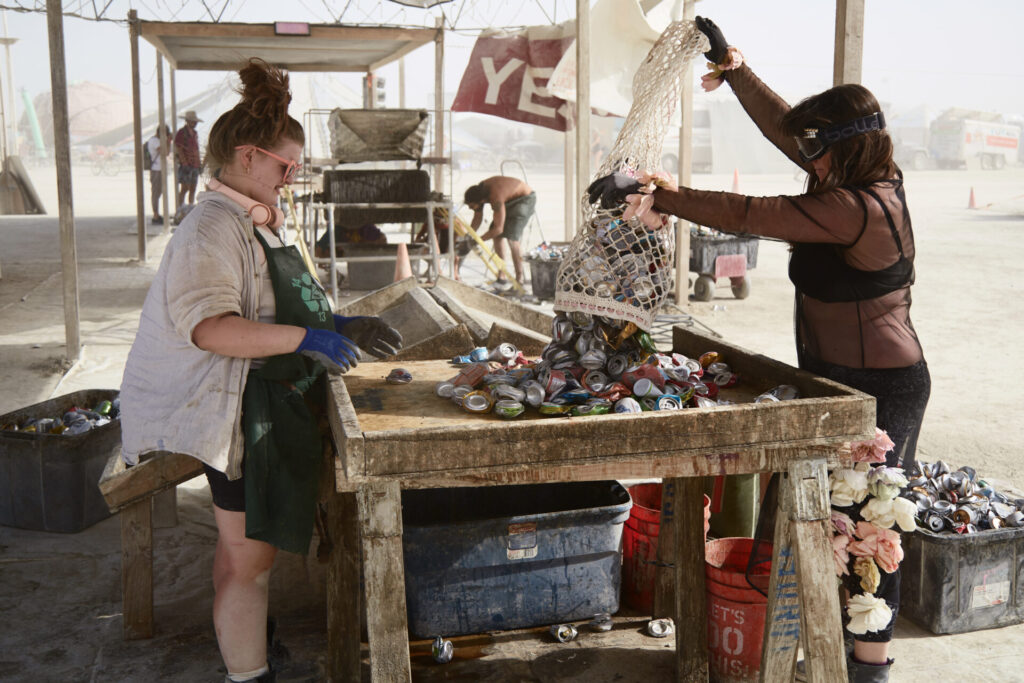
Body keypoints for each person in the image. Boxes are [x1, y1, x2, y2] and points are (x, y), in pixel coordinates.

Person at [588, 17, 928, 683]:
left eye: (817, 152)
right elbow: (788, 132)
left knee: (868, 531)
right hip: (836, 377)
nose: (810, 162)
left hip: (882, 385)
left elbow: (754, 213)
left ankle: (869, 669)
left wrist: (664, 195)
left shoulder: (858, 206)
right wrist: (737, 69)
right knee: (819, 519)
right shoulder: (851, 171)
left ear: (849, 150)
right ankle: (812, 648)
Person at [120, 58, 402, 683]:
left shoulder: (262, 220)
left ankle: (249, 647)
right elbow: (212, 328)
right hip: (229, 409)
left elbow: (281, 300)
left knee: (241, 554)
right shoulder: (210, 230)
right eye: (285, 167)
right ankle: (250, 674)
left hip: (264, 398)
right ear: (247, 158)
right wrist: (307, 337)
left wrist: (343, 325)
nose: (292, 178)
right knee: (251, 561)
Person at [464, 176, 536, 289]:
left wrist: (477, 241)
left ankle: (519, 279)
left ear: (482, 201)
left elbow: (498, 229)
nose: (471, 209)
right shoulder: (480, 191)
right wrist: (468, 236)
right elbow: (477, 218)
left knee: (512, 239)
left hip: (524, 199)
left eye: (472, 206)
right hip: (508, 200)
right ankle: (501, 277)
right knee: (496, 238)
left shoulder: (495, 197)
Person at [175, 109, 203, 209]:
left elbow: (196, 150)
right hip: (186, 165)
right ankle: (180, 208)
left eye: (195, 122)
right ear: (187, 121)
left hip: (194, 165)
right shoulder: (182, 133)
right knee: (184, 188)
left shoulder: (195, 133)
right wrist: (184, 163)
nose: (195, 123)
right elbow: (179, 149)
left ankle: (190, 207)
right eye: (193, 121)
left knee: (193, 188)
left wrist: (199, 164)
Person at [146, 124, 171, 224]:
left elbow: (167, 152)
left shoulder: (159, 141)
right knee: (156, 192)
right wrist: (168, 142)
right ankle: (155, 214)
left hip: (160, 169)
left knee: (159, 192)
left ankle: (157, 213)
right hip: (156, 169)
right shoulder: (154, 141)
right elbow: (165, 152)